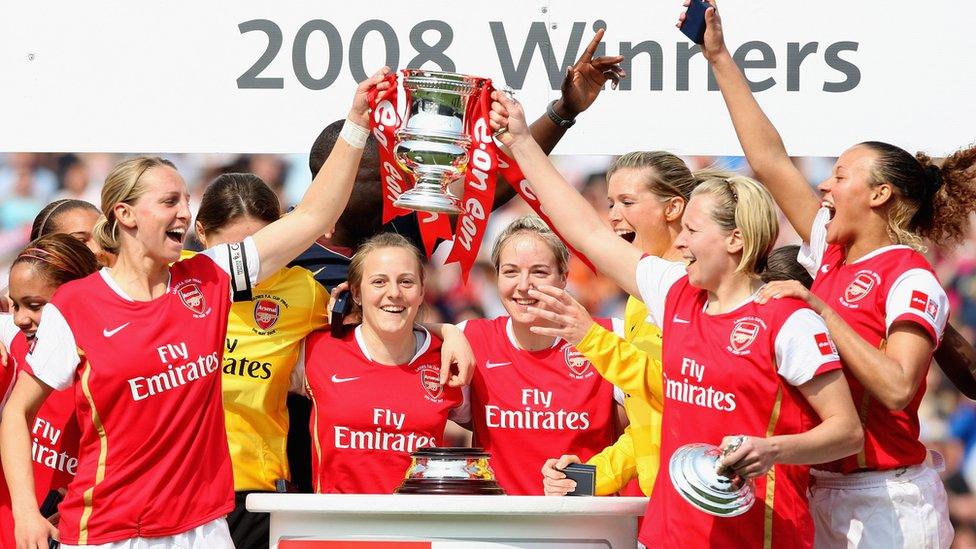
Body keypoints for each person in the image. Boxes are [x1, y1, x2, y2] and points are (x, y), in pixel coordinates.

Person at [0, 68, 468, 548]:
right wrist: (26, 512)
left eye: (186, 200)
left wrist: (356, 122)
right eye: (169, 202)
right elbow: (16, 414)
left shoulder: (209, 278)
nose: (184, 212)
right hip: (115, 529)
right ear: (124, 215)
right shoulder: (77, 306)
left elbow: (313, 216)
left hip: (205, 526)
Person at [489, 92, 863, 547]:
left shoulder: (786, 319)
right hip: (668, 532)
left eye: (692, 230)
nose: (680, 242)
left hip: (758, 532)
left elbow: (846, 432)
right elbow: (586, 232)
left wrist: (772, 451)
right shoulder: (674, 295)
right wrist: (524, 142)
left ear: (735, 240)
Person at [282, 27, 626, 493]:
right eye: (383, 174)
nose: (400, 181)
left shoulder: (402, 235)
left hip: (391, 473)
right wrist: (447, 331)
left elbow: (497, 187)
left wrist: (562, 112)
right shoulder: (286, 251)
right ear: (335, 181)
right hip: (296, 461)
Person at [695, 1, 976, 545]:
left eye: (841, 175)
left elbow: (897, 388)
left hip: (888, 501)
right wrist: (719, 56)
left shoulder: (910, 276)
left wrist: (816, 305)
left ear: (878, 194)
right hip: (821, 488)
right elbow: (771, 159)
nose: (825, 185)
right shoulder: (830, 249)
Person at [542, 160, 738, 498]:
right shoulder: (637, 301)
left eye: (627, 202)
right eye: (610, 204)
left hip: (710, 500)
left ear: (673, 208)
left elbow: (686, 394)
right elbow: (648, 425)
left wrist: (591, 339)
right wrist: (588, 478)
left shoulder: (701, 290)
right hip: (664, 505)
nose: (614, 215)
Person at [191, 173, 327, 549]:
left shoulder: (306, 293)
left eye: (262, 245)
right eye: (236, 248)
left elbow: (368, 341)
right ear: (201, 233)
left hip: (256, 490)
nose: (250, 262)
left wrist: (445, 332)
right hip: (177, 487)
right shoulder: (174, 280)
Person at [457, 215, 624, 495]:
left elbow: (639, 433)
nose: (523, 285)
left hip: (585, 524)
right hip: (501, 526)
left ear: (563, 278)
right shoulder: (468, 339)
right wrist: (445, 331)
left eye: (539, 272)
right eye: (510, 272)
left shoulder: (609, 336)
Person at [302, 233, 465, 494]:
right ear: (355, 291)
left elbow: (496, 436)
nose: (394, 293)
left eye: (406, 282)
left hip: (417, 528)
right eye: (379, 282)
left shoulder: (448, 359)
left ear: (423, 291)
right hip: (335, 528)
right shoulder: (315, 349)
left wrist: (450, 331)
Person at [0, 235, 99, 549]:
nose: (19, 318)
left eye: (34, 305)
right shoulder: (14, 345)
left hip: (80, 532)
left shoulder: (110, 365)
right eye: (14, 305)